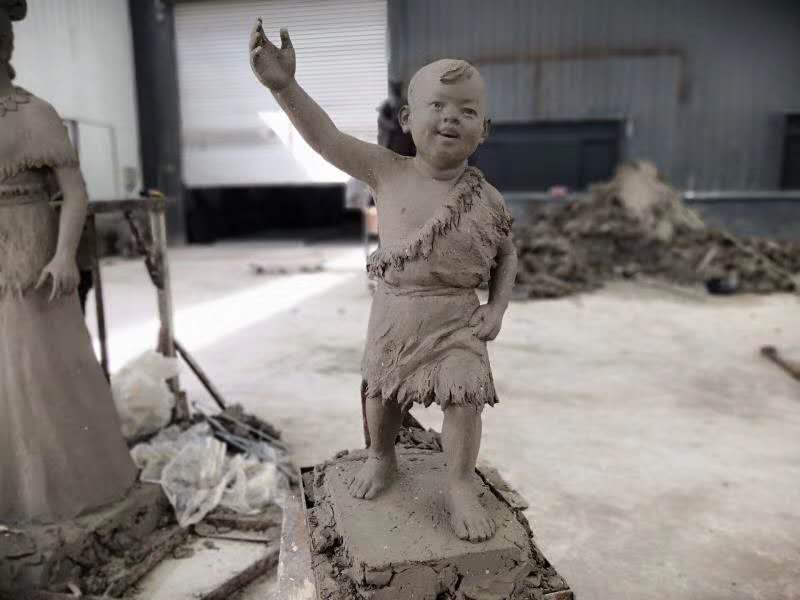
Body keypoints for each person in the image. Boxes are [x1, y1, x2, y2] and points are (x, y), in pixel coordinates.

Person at [251, 21, 517, 542]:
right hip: (397, 308)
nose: (451, 117)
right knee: (381, 392)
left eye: (467, 111)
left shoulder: (488, 198)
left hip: (458, 314)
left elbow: (507, 256)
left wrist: (497, 307)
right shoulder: (387, 170)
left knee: (465, 397)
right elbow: (327, 140)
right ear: (407, 119)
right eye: (438, 105)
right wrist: (284, 88)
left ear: (484, 130)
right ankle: (381, 455)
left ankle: (460, 482)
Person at [0, 0, 137, 524]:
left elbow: (76, 192)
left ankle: (55, 490)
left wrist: (63, 257)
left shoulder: (35, 113)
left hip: (34, 255)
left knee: (40, 370)